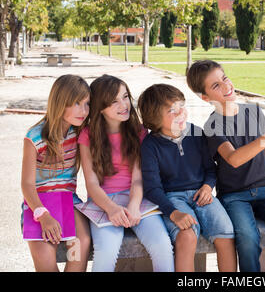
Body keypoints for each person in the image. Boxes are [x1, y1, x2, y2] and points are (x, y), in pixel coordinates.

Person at [186, 60, 265, 272]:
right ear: (205, 97)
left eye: (224, 78)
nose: (225, 86)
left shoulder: (254, 112)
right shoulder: (212, 126)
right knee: (248, 239)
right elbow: (234, 159)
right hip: (234, 196)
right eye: (215, 86)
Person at [78, 75, 174, 272]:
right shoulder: (88, 135)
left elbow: (138, 177)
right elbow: (91, 184)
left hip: (137, 199)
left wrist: (133, 205)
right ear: (100, 107)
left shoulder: (138, 131)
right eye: (114, 101)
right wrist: (112, 209)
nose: (124, 105)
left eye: (125, 97)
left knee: (162, 245)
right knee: (106, 252)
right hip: (103, 202)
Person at [138, 84, 236, 272]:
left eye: (181, 106)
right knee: (187, 235)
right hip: (171, 198)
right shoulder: (150, 145)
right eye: (171, 111)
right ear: (154, 119)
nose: (180, 113)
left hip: (202, 194)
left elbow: (210, 169)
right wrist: (173, 212)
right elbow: (152, 188)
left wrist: (208, 186)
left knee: (225, 234)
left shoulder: (197, 133)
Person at [21, 74, 92, 272]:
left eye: (87, 104)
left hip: (69, 201)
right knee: (45, 257)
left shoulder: (79, 132)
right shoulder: (34, 137)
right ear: (60, 102)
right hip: (38, 204)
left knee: (81, 241)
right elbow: (27, 185)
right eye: (77, 103)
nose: (84, 111)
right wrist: (43, 216)